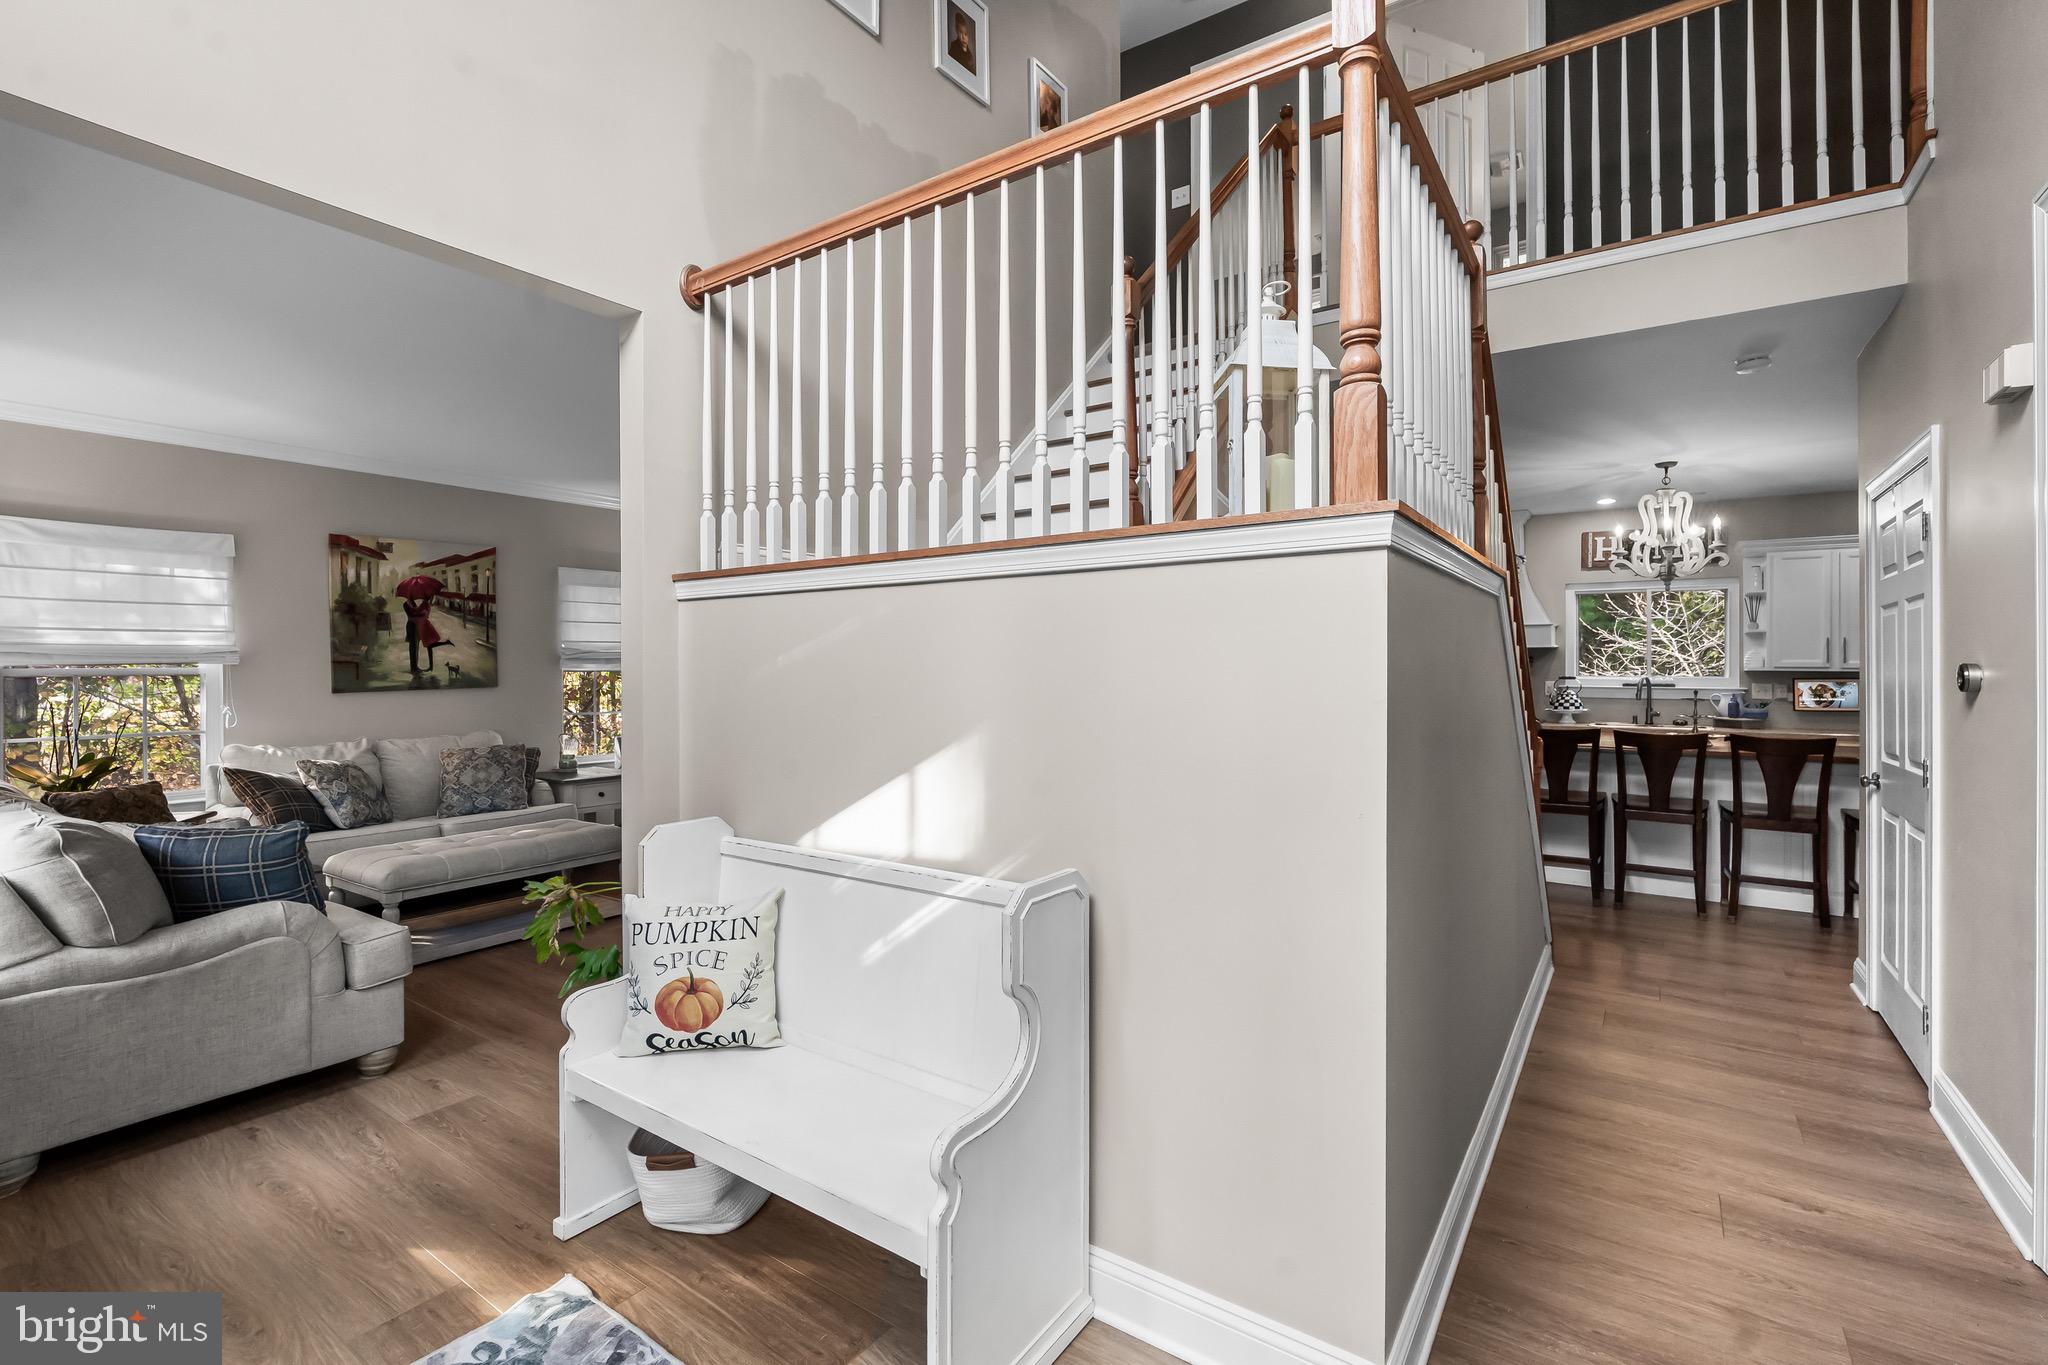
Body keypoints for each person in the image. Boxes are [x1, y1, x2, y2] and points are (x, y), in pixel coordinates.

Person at [402, 597, 445, 674]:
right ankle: (414, 668)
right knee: (413, 647)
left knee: (416, 647)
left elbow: (417, 612)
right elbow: (412, 614)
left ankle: (415, 666)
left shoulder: (413, 603)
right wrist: (421, 613)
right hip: (412, 626)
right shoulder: (405, 604)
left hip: (416, 627)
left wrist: (421, 612)